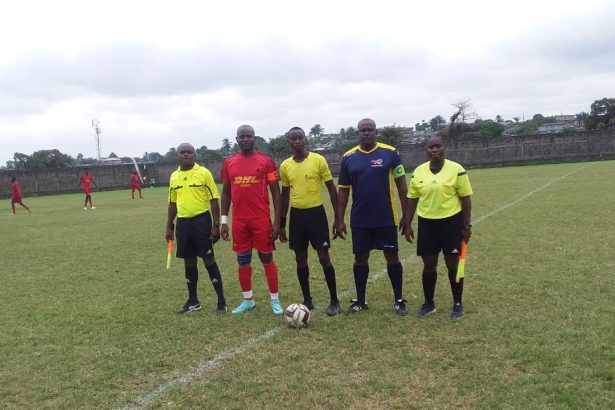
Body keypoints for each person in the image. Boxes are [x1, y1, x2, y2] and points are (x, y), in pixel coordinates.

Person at [335, 118, 409, 316]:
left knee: (392, 257)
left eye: (370, 129)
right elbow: (343, 190)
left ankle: (399, 300)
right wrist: (339, 219)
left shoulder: (391, 153)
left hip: (386, 217)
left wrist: (406, 215)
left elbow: (402, 185)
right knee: (360, 259)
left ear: (376, 132)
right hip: (360, 219)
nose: (366, 132)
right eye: (363, 130)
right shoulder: (348, 157)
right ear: (357, 133)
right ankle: (360, 300)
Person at [403, 135, 473, 318]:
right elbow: (412, 199)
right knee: (429, 265)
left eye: (438, 146)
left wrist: (466, 226)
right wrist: (407, 224)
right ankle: (429, 303)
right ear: (426, 150)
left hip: (451, 223)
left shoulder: (457, 169)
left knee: (453, 264)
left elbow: (466, 199)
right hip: (427, 224)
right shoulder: (418, 171)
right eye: (431, 147)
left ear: (444, 147)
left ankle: (457, 303)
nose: (434, 150)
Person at [220, 125, 284, 315]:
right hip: (239, 220)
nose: (245, 139)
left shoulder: (266, 161)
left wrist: (277, 222)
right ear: (237, 139)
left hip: (260, 219)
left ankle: (275, 300)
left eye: (249, 136)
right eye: (242, 136)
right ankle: (248, 300)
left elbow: (276, 192)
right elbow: (226, 192)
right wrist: (223, 221)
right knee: (243, 260)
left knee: (266, 257)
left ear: (254, 138)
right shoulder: (229, 163)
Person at [279, 127, 341, 316]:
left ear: (305, 139)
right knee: (300, 259)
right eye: (293, 139)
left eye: (300, 138)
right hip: (297, 217)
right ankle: (307, 300)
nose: (297, 141)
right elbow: (284, 196)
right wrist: (282, 224)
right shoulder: (285, 166)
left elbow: (332, 189)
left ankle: (334, 300)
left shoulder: (318, 160)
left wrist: (338, 218)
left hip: (316, 215)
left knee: (324, 257)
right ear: (289, 142)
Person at [165, 143, 228, 315]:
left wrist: (216, 225)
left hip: (201, 221)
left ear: (195, 154)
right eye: (182, 152)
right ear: (177, 155)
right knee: (189, 260)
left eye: (189, 152)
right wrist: (169, 226)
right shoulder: (174, 176)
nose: (185, 155)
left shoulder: (204, 173)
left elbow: (214, 200)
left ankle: (221, 301)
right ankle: (193, 301)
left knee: (208, 259)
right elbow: (172, 203)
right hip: (183, 223)